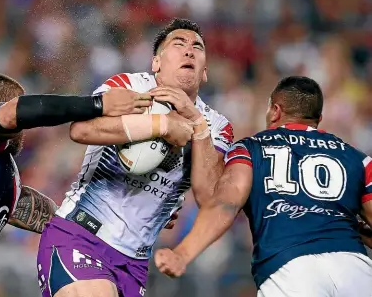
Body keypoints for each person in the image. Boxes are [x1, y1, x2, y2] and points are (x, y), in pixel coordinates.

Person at [36, 18, 234, 297]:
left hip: (135, 263)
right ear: (156, 62)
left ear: (204, 73)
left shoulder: (216, 125)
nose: (189, 51)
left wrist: (197, 125)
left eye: (197, 47)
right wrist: (161, 125)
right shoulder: (128, 87)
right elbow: (82, 129)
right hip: (81, 235)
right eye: (178, 44)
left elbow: (208, 197)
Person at [0, 71, 156, 297]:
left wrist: (136, 206)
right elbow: (12, 114)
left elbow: (59, 221)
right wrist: (98, 104)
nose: (25, 129)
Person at [154, 76, 372, 297]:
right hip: (355, 269)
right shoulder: (357, 159)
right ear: (319, 118)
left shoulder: (251, 148)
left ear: (275, 110)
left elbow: (226, 203)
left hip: (291, 268)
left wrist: (182, 253)